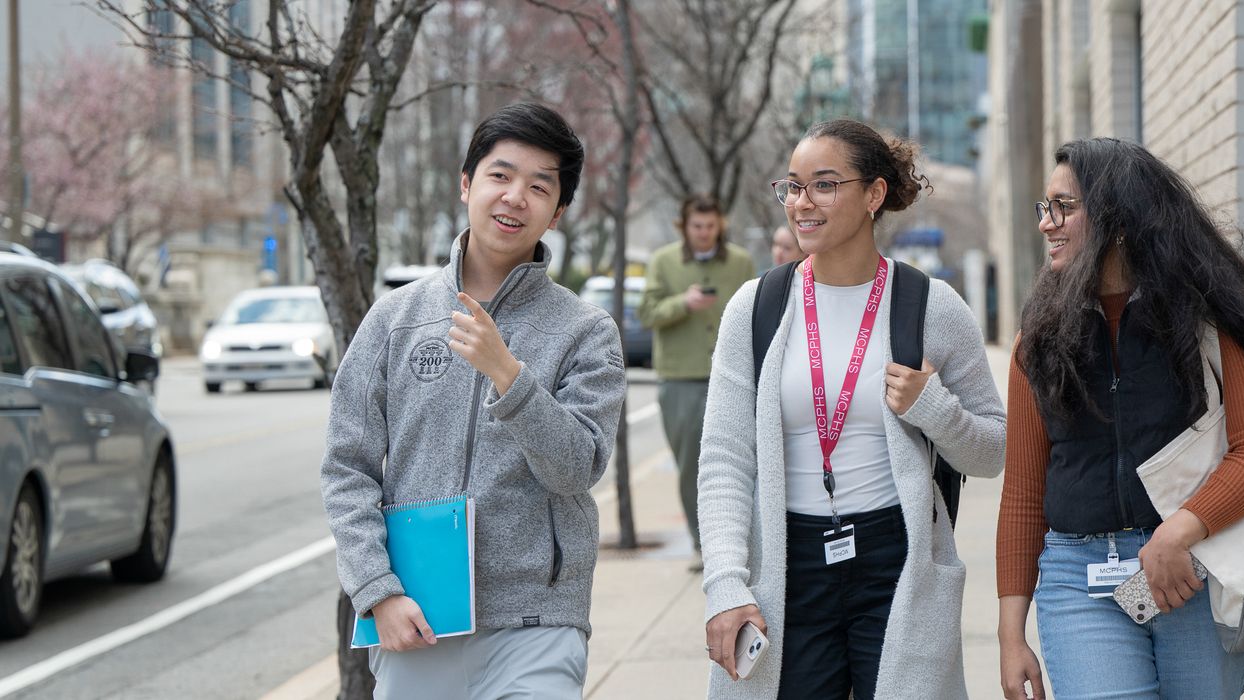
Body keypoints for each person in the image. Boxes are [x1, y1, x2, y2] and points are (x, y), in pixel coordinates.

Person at [995, 138, 1244, 700]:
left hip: (1198, 570)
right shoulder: (1036, 341)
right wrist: (1011, 634)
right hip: (1077, 579)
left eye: (1064, 207)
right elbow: (1023, 494)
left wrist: (1177, 532)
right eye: (1045, 207)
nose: (1047, 223)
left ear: (1119, 218)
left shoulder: (1211, 324)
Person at [321, 102, 625, 698]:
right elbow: (346, 467)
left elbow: (576, 470)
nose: (515, 197)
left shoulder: (585, 331)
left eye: (539, 186)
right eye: (500, 175)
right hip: (418, 615)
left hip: (537, 621)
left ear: (557, 212)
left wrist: (508, 377)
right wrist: (377, 590)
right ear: (467, 185)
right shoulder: (395, 319)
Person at [698, 119, 1005, 699]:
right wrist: (726, 585)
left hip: (895, 560)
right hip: (787, 564)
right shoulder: (757, 307)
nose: (801, 202)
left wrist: (933, 409)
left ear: (874, 195)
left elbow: (993, 449)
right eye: (792, 186)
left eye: (823, 184)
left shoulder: (929, 306)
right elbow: (724, 459)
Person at [639, 194, 757, 571]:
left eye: (710, 226)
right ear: (684, 227)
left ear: (719, 224)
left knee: (743, 461)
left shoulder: (740, 262)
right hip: (680, 377)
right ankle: (701, 543)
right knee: (691, 465)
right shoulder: (662, 262)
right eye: (697, 226)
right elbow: (647, 312)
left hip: (732, 374)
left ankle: (740, 541)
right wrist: (682, 304)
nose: (704, 233)